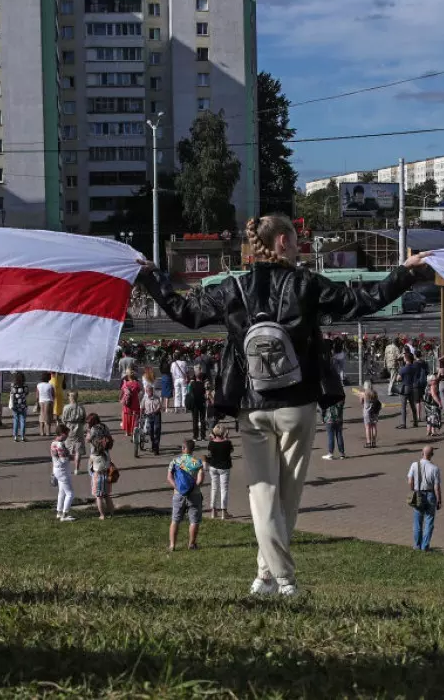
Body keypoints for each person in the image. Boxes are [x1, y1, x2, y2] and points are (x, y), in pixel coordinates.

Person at [137, 213, 426, 596]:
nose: (300, 244)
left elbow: (185, 313)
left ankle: (266, 577)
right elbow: (359, 302)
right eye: (296, 238)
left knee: (262, 494)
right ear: (283, 243)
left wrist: (153, 276)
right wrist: (403, 273)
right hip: (298, 400)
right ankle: (282, 579)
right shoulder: (305, 284)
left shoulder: (233, 288)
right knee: (288, 497)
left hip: (252, 404)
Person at [167, 438, 204, 551]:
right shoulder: (197, 463)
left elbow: (169, 478)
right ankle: (191, 544)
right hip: (194, 494)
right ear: (192, 450)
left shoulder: (175, 461)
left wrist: (177, 487)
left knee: (175, 519)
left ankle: (172, 545)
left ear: (183, 448)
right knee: (194, 520)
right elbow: (200, 481)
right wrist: (193, 487)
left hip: (178, 494)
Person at [408, 445, 442, 551]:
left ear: (421, 453)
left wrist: (413, 490)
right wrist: (439, 500)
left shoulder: (414, 465)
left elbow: (410, 481)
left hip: (418, 494)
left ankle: (417, 545)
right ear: (432, 455)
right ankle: (425, 546)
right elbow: (436, 487)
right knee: (429, 521)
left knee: (417, 521)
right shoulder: (435, 468)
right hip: (430, 495)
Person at [85, 413, 114, 520]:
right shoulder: (104, 426)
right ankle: (111, 512)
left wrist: (88, 432)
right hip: (106, 456)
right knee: (107, 495)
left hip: (96, 460)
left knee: (99, 496)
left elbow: (88, 439)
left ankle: (102, 515)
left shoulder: (93, 429)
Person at [206, 424, 233, 519]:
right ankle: (224, 512)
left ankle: (213, 511)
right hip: (224, 468)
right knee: (224, 489)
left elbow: (209, 453)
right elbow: (231, 451)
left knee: (214, 488)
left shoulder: (211, 443)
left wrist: (212, 439)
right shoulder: (227, 443)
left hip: (213, 467)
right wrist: (226, 438)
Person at [51, 424, 76, 522]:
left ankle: (59, 512)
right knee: (70, 494)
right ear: (62, 433)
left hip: (57, 469)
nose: (67, 436)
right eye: (66, 434)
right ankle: (65, 514)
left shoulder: (53, 443)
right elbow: (63, 459)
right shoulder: (60, 444)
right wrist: (72, 455)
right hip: (62, 470)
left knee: (61, 492)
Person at [61, 391, 87, 475]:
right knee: (78, 450)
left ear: (70, 397)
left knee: (67, 448)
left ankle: (67, 468)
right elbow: (84, 419)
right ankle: (77, 469)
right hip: (78, 428)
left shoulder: (66, 407)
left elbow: (63, 419)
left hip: (69, 427)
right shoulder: (81, 407)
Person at [396, 352, 419, 429]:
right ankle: (415, 421)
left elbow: (398, 378)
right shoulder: (414, 367)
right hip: (411, 387)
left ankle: (404, 423)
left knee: (403, 407)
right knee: (413, 406)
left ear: (406, 359)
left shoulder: (403, 369)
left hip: (404, 388)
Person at [357, 381, 381, 448]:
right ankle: (374, 442)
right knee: (374, 426)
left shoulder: (364, 394)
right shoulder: (375, 393)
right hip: (374, 412)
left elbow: (361, 402)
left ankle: (368, 442)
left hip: (367, 412)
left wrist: (360, 396)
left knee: (368, 427)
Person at [141, 385, 163, 455]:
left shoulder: (157, 398)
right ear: (146, 391)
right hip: (148, 416)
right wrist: (142, 414)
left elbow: (159, 407)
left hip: (156, 415)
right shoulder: (144, 399)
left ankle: (156, 448)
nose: (150, 392)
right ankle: (153, 444)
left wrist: (155, 411)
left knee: (157, 430)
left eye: (151, 390)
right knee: (151, 432)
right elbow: (142, 407)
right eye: (148, 391)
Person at [120, 371, 142, 439]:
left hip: (127, 403)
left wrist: (120, 399)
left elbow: (122, 392)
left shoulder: (125, 384)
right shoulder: (136, 384)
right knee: (134, 416)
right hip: (135, 402)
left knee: (127, 416)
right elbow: (139, 391)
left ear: (128, 376)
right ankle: (133, 431)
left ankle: (127, 432)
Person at [9, 372, 30, 443]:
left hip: (15, 405)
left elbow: (12, 393)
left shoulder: (13, 385)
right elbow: (27, 393)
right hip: (23, 405)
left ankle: (15, 436)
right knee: (23, 420)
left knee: (15, 420)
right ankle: (22, 437)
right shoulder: (25, 385)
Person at [187, 374, 207, 441]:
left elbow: (189, 392)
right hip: (202, 404)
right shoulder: (203, 384)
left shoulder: (192, 384)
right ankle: (203, 436)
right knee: (202, 420)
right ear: (201, 378)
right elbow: (205, 393)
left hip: (194, 404)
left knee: (195, 421)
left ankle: (195, 436)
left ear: (195, 377)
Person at [413, 351, 429, 421]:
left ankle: (418, 417)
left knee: (417, 401)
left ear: (415, 356)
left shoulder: (415, 364)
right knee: (425, 400)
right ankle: (427, 415)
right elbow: (428, 372)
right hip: (424, 382)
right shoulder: (425, 363)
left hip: (416, 383)